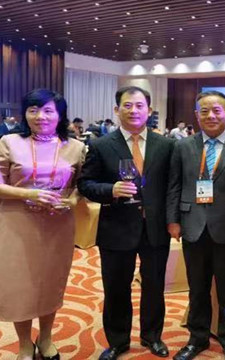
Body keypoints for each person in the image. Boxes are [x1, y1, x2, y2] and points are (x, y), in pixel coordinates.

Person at [78, 86, 174, 360]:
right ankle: (118, 341)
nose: (134, 110)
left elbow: (173, 186)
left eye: (139, 105)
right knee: (116, 287)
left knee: (154, 286)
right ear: (116, 109)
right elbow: (85, 183)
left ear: (149, 110)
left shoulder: (166, 145)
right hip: (117, 227)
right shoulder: (100, 145)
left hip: (155, 227)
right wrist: (110, 189)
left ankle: (152, 335)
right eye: (127, 105)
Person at [0, 89, 85, 360]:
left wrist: (71, 201)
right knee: (18, 284)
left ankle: (46, 338)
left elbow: (81, 185)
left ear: (59, 115)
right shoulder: (10, 142)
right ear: (25, 114)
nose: (40, 116)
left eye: (47, 111)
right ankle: (24, 344)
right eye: (33, 110)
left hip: (57, 225)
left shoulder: (75, 146)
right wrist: (29, 194)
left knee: (50, 282)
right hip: (15, 223)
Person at [167, 91, 225, 360]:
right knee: (197, 288)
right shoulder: (183, 146)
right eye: (204, 111)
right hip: (192, 226)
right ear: (196, 115)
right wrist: (173, 219)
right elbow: (174, 186)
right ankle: (197, 338)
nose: (210, 116)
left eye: (217, 110)